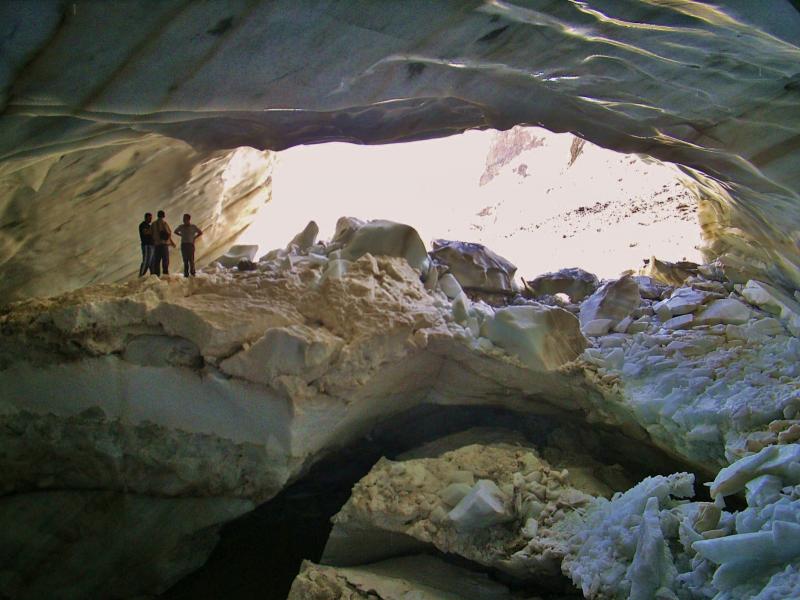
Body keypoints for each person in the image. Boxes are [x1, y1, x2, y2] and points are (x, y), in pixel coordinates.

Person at [150, 210, 175, 276]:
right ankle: (165, 275)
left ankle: (157, 276)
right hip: (164, 245)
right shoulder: (164, 223)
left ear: (158, 215)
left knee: (157, 261)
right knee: (165, 261)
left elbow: (151, 234)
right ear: (163, 216)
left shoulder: (153, 224)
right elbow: (168, 233)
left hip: (156, 245)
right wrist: (172, 243)